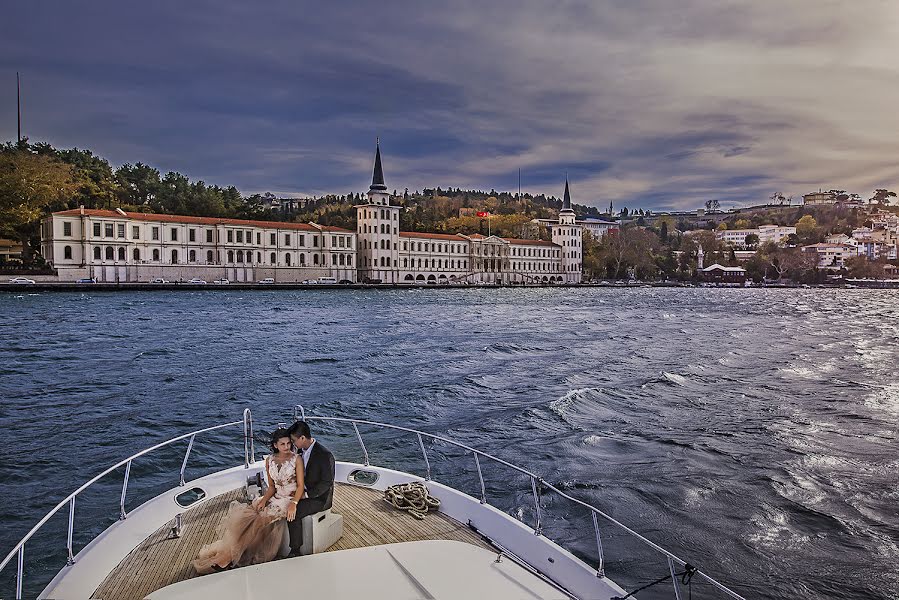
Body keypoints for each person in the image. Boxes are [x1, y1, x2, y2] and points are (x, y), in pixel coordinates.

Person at [193, 428, 304, 574]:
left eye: (289, 443)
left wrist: (294, 504)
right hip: (275, 497)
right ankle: (232, 553)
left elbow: (301, 486)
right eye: (282, 444)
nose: (287, 447)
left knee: (259, 520)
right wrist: (264, 500)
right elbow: (271, 487)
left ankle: (227, 558)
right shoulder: (269, 460)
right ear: (275, 445)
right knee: (250, 514)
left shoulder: (296, 459)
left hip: (289, 499)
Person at [286, 420, 335, 556]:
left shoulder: (325, 455)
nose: (292, 443)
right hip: (302, 490)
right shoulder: (300, 450)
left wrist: (305, 495)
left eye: (293, 440)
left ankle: (295, 550)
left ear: (302, 438)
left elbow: (326, 483)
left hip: (319, 498)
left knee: (293, 513)